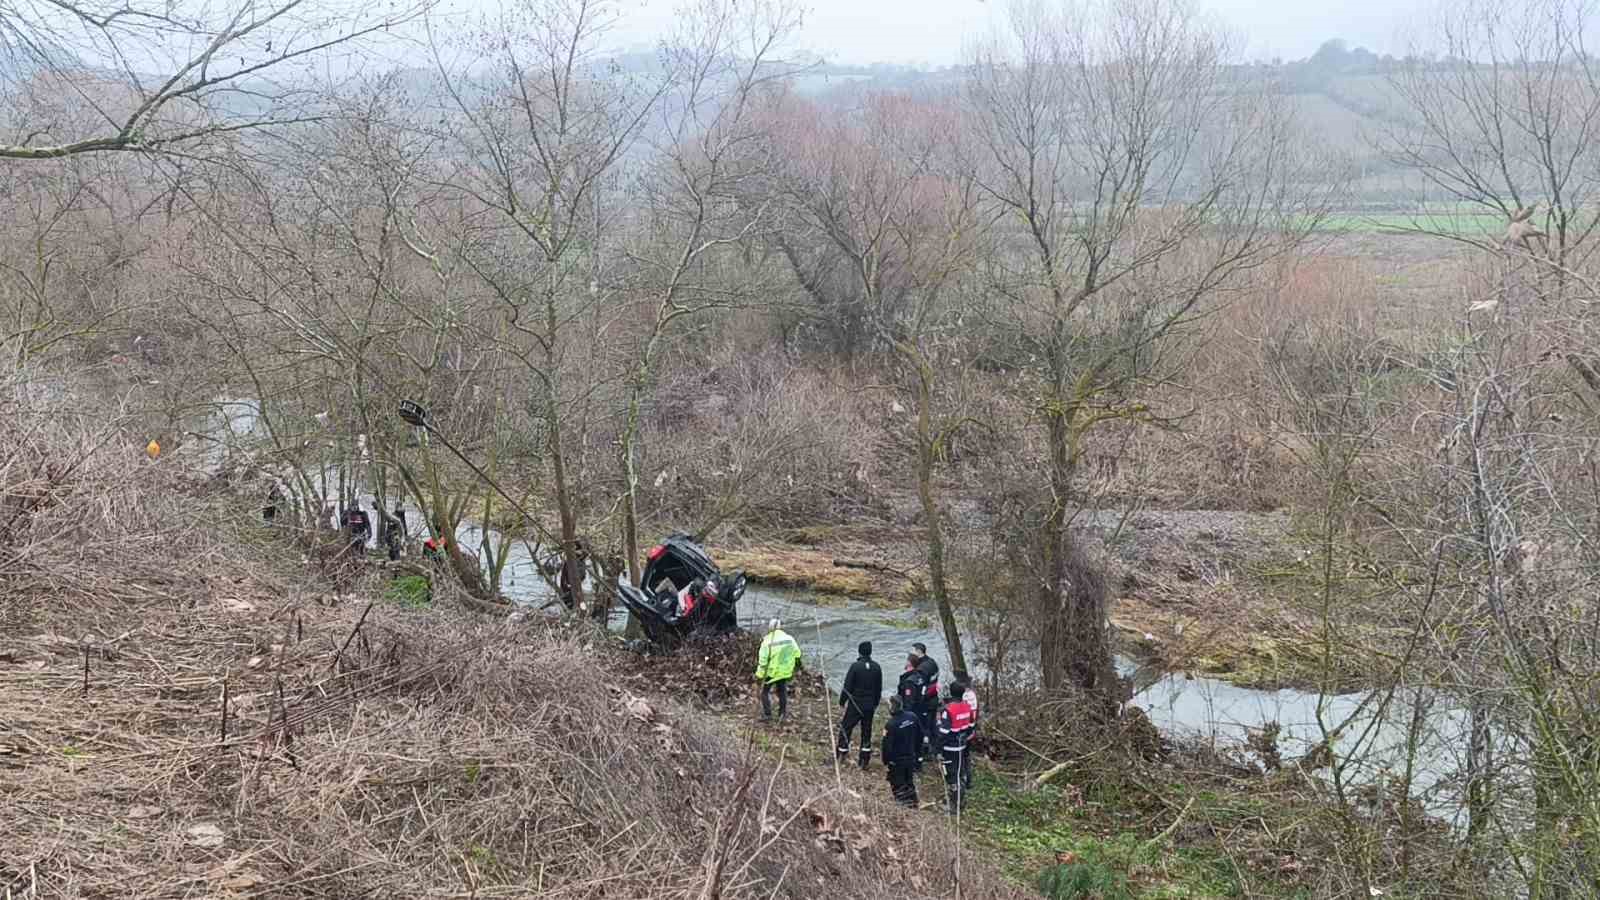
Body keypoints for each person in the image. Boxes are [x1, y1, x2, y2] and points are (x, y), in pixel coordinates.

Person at [836, 641, 882, 769]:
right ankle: (864, 760)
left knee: (846, 728)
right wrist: (875, 703)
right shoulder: (877, 667)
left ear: (859, 652)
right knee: (866, 731)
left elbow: (847, 686)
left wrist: (842, 701)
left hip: (856, 704)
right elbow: (879, 688)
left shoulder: (855, 666)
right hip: (869, 705)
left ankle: (841, 754)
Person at [936, 681, 977, 815]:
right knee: (960, 773)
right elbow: (971, 727)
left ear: (951, 693)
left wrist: (937, 749)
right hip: (962, 746)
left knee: (952, 776)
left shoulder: (948, 710)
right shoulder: (967, 707)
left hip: (950, 748)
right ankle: (958, 799)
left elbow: (943, 733)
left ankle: (955, 806)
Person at [755, 618, 801, 722]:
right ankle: (782, 715)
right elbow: (797, 653)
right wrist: (794, 667)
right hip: (785, 670)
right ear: (780, 627)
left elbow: (762, 661)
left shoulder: (767, 641)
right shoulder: (789, 639)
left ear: (770, 628)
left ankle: (768, 715)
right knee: (782, 691)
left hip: (771, 672)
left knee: (764, 692)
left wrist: (759, 675)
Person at [881, 695, 922, 808]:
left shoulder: (891, 724)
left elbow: (886, 746)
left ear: (892, 707)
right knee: (909, 781)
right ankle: (914, 803)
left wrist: (886, 761)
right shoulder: (912, 717)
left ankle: (903, 806)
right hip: (911, 756)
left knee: (897, 784)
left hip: (897, 760)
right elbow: (920, 735)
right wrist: (919, 753)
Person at [911, 643, 941, 756]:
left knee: (925, 726)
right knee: (933, 725)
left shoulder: (922, 668)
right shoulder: (932, 662)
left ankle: (926, 750)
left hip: (926, 701)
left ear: (919, 651)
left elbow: (921, 687)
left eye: (913, 651)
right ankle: (935, 748)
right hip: (934, 698)